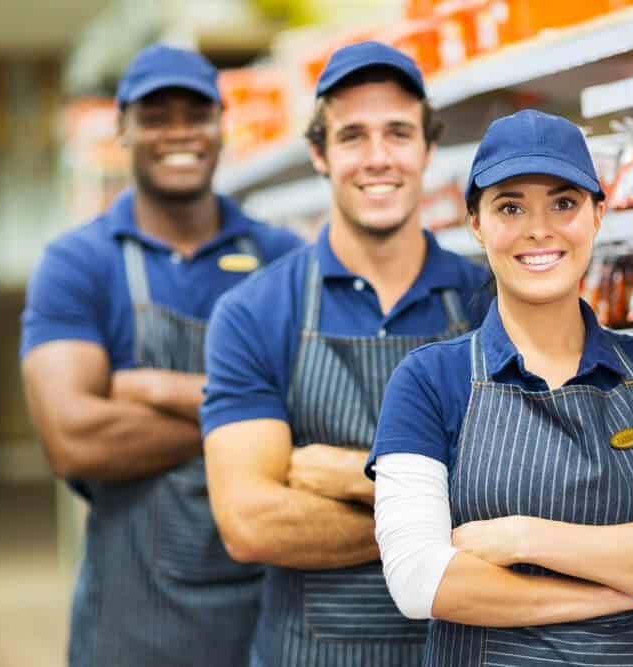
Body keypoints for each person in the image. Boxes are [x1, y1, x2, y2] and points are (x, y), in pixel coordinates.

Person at [367, 109, 633, 666]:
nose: (539, 229)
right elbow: (422, 582)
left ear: (598, 215)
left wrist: (521, 538)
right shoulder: (427, 382)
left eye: (564, 203)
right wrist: (629, 574)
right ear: (476, 224)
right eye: (510, 207)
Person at [201, 42, 490, 666]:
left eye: (398, 132)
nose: (378, 158)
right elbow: (250, 522)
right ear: (318, 153)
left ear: (427, 149)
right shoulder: (255, 313)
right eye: (353, 135)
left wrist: (352, 478)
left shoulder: (490, 302)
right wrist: (457, 524)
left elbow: (543, 495)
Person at [20, 44, 303, 667]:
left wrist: (150, 388)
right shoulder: (80, 263)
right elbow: (76, 438)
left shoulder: (284, 258)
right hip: (136, 622)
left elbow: (316, 410)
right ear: (123, 127)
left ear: (220, 125)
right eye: (156, 115)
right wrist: (255, 417)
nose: (178, 132)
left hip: (271, 613)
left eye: (195, 113)